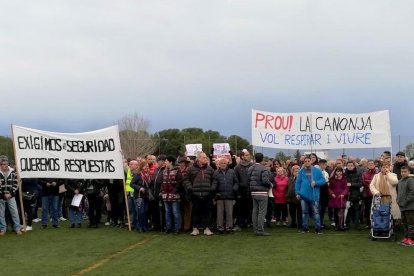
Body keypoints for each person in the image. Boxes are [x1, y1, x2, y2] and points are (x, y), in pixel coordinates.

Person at [183, 152, 215, 236]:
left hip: (207, 194)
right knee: (195, 212)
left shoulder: (210, 169)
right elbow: (185, 179)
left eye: (206, 157)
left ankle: (207, 228)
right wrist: (190, 187)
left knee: (207, 212)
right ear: (199, 159)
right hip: (195, 194)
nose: (206, 159)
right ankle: (195, 228)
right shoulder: (190, 169)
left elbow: (214, 180)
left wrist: (212, 188)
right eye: (204, 157)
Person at [295, 155, 326, 234]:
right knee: (304, 212)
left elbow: (323, 180)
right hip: (303, 195)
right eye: (305, 161)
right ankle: (305, 228)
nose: (307, 162)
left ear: (311, 161)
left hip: (314, 195)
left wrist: (316, 183)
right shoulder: (301, 171)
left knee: (316, 212)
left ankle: (318, 228)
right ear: (304, 162)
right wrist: (297, 193)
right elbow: (297, 183)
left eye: (308, 161)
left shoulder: (317, 170)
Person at [248, 152, 273, 236]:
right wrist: (270, 184)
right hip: (262, 192)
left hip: (253, 192)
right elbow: (265, 180)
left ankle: (255, 229)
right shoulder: (264, 168)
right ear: (262, 159)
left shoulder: (250, 168)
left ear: (255, 158)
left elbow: (248, 179)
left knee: (255, 211)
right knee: (262, 212)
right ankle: (260, 230)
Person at [212, 158, 238, 234]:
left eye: (224, 163)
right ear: (219, 164)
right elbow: (214, 183)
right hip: (219, 196)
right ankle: (220, 228)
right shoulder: (216, 173)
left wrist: (234, 189)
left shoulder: (232, 172)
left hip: (229, 196)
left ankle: (229, 228)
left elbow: (236, 182)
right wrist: (213, 190)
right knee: (220, 214)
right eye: (221, 163)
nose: (223, 164)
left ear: (227, 164)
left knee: (229, 213)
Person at [0, 156, 22, 235]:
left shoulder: (13, 172)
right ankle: (3, 229)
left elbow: (16, 184)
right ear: (0, 165)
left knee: (15, 212)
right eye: (4, 164)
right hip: (1, 197)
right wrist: (3, 194)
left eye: (7, 164)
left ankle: (17, 228)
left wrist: (10, 193)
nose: (6, 165)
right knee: (1, 214)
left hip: (11, 196)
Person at [160, 156, 181, 234]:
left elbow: (179, 182)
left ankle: (177, 228)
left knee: (175, 212)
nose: (165, 162)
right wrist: (162, 191)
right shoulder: (164, 171)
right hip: (165, 195)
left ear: (171, 162)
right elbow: (162, 182)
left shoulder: (177, 171)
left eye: (166, 161)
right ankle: (168, 227)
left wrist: (174, 191)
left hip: (174, 196)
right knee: (167, 212)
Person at [233, 149, 253, 231]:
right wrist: (237, 192)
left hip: (251, 190)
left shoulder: (252, 166)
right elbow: (235, 180)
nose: (248, 156)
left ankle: (248, 222)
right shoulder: (237, 167)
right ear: (242, 156)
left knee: (249, 208)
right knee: (240, 209)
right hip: (241, 191)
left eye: (248, 155)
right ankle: (239, 224)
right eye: (247, 155)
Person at [397, 166, 414, 246]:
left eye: (405, 171)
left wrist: (406, 201)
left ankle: (411, 239)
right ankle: (406, 237)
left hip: (410, 206)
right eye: (402, 172)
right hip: (402, 206)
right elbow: (399, 193)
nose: (403, 173)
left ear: (409, 172)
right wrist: (398, 199)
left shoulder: (410, 180)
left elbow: (412, 193)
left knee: (411, 223)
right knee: (404, 223)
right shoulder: (400, 181)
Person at [344, 160, 362, 230]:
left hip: (356, 195)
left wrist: (351, 184)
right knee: (347, 210)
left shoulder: (358, 174)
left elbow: (360, 184)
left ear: (354, 166)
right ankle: (347, 224)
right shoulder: (344, 174)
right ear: (346, 166)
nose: (350, 167)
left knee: (356, 210)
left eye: (351, 165)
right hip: (347, 195)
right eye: (348, 165)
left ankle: (357, 224)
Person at [361, 160, 377, 228]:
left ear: (374, 165)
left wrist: (369, 182)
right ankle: (369, 223)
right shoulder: (364, 173)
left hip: (375, 194)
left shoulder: (377, 173)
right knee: (367, 209)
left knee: (375, 209)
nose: (370, 165)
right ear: (367, 165)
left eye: (372, 164)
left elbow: (377, 182)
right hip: (367, 194)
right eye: (369, 164)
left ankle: (376, 222)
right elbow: (364, 182)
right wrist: (372, 183)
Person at [285, 165, 302, 230]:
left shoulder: (302, 178)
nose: (296, 170)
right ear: (292, 171)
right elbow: (287, 187)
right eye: (295, 170)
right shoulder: (290, 178)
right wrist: (287, 195)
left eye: (298, 169)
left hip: (299, 198)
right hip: (291, 198)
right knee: (292, 211)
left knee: (299, 212)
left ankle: (299, 224)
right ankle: (293, 222)